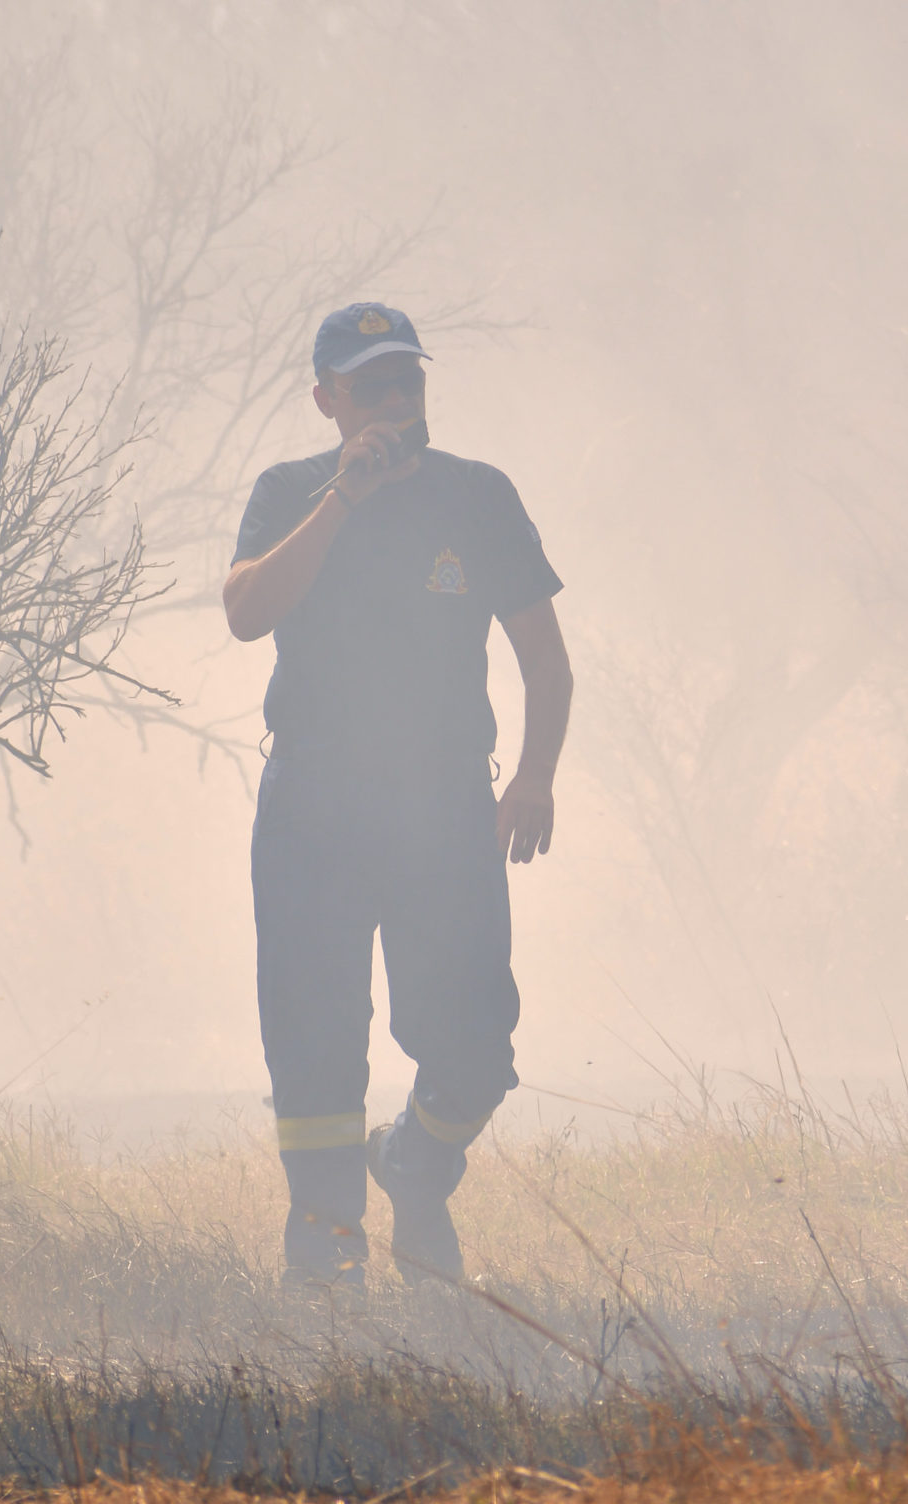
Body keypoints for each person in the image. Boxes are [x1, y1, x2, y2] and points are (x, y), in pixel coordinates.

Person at [224, 302, 573, 1290]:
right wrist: (342, 498)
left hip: (444, 807)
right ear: (326, 398)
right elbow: (247, 613)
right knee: (314, 1036)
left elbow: (545, 663)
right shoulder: (291, 491)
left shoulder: (477, 497)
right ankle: (326, 1257)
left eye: (405, 380)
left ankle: (416, 1168)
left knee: (474, 1041)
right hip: (312, 809)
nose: (392, 399)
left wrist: (537, 775)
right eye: (369, 384)